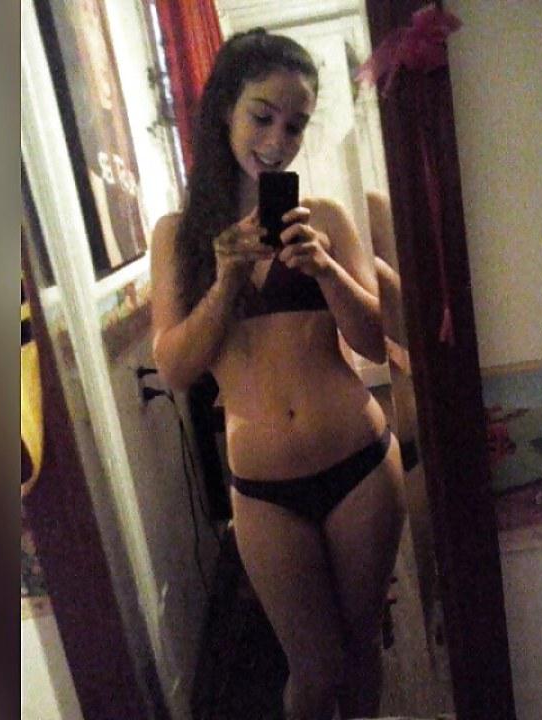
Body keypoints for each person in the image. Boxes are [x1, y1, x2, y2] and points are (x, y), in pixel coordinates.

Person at [151, 29, 406, 720]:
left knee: (360, 652)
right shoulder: (178, 237)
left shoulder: (325, 218)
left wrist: (326, 270)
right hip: (265, 493)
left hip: (359, 465)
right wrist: (228, 279)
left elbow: (374, 342)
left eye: (295, 125)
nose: (278, 140)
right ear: (225, 111)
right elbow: (177, 367)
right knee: (314, 671)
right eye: (263, 116)